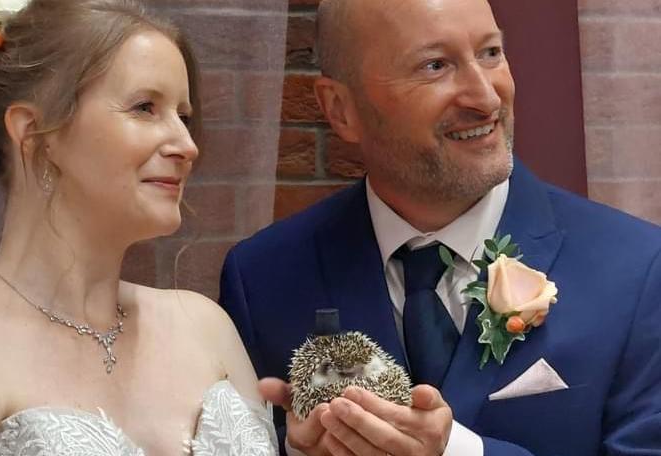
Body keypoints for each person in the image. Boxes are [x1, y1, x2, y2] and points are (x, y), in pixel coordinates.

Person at [219, 0, 661, 454]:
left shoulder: (640, 271)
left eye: (491, 53)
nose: (486, 97)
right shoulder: (261, 280)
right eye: (436, 65)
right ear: (341, 109)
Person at [0, 1, 278, 454]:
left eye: (184, 116)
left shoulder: (206, 327)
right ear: (35, 133)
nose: (186, 145)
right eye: (145, 107)